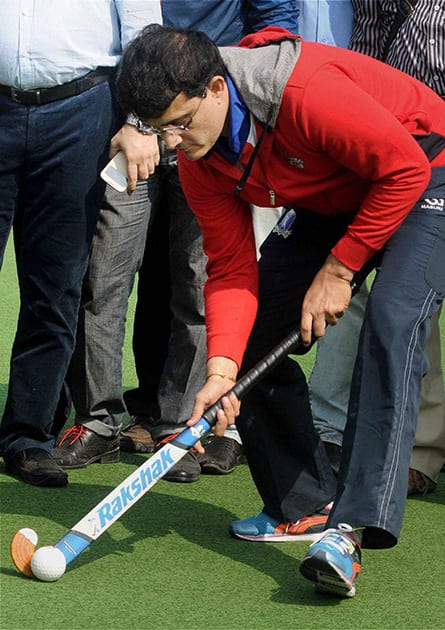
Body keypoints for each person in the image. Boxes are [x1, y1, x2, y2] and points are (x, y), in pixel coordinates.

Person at [116, 24, 445, 598]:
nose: (169, 143)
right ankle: (306, 504)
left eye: (177, 124)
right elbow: (232, 268)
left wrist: (340, 270)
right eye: (156, 130)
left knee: (392, 319)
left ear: (217, 88)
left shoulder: (305, 92)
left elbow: (403, 171)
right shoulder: (197, 159)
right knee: (254, 334)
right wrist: (220, 372)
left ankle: (347, 530)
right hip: (338, 189)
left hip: (423, 167)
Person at [52, 1, 299, 483]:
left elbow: (275, 23)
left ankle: (176, 428)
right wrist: (140, 120)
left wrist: (219, 88)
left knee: (198, 281)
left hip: (207, 118)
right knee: (105, 276)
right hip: (135, 122)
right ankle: (98, 421)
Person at [0, 1, 162, 487]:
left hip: (81, 109)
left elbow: (143, 34)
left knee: (57, 283)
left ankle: (27, 435)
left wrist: (141, 122)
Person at [310, 0, 445, 493]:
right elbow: (362, 62)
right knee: (399, 302)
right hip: (396, 155)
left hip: (431, 150)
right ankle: (412, 449)